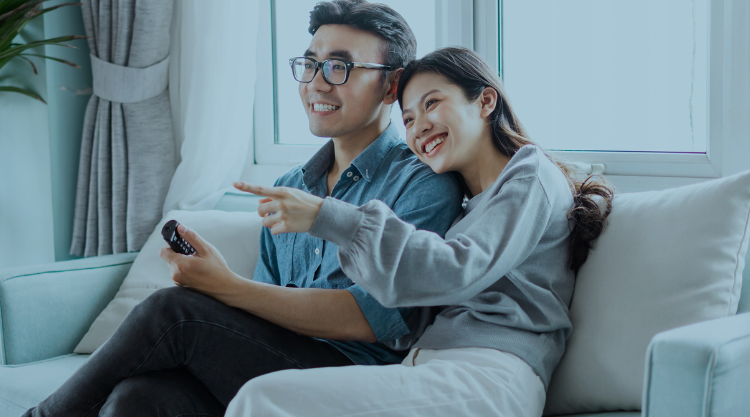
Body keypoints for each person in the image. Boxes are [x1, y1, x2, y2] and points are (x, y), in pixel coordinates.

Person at [22, 2, 462, 416]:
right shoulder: (290, 186)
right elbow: (266, 310)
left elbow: (377, 317)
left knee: (173, 310)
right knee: (135, 399)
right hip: (275, 359)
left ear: (391, 86)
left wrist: (225, 287)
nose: (317, 83)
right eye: (309, 64)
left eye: (339, 67)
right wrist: (221, 288)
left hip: (354, 379)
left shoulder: (423, 183)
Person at [225, 47, 615, 417]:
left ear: (485, 102)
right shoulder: (467, 211)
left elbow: (457, 269)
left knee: (264, 398)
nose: (419, 126)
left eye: (432, 103)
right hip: (425, 368)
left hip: (490, 374)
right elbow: (410, 305)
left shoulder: (531, 175)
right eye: (408, 119)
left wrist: (329, 217)